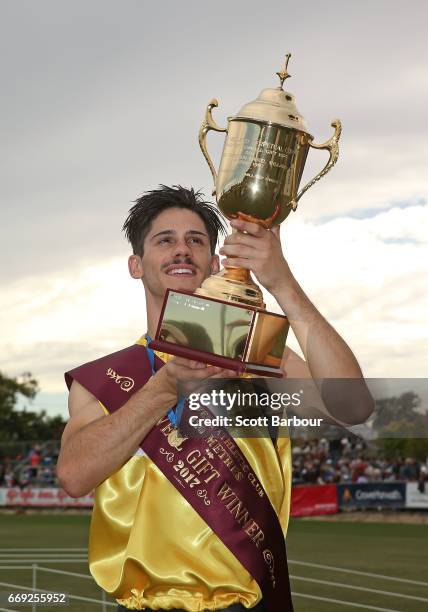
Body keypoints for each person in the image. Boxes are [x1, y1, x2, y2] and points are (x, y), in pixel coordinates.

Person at [57, 185, 371, 612]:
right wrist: (163, 389)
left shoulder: (254, 351)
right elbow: (74, 476)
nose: (181, 250)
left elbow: (353, 408)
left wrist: (283, 285)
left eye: (196, 240)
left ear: (215, 262)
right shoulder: (105, 378)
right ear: (136, 265)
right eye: (164, 239)